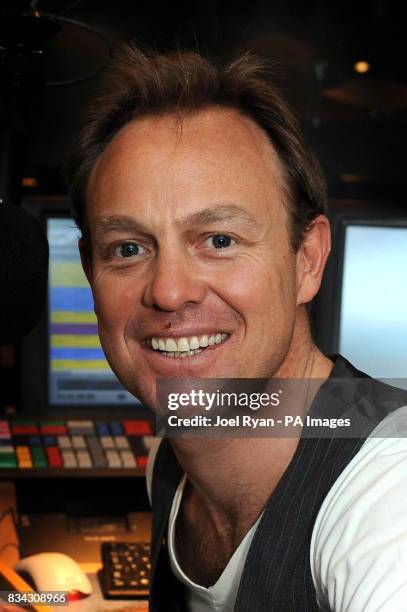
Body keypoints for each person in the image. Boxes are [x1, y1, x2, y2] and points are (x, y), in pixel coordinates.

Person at [67, 45, 407, 611]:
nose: (170, 290)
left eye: (219, 240)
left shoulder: (389, 495)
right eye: (127, 248)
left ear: (307, 260)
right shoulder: (173, 458)